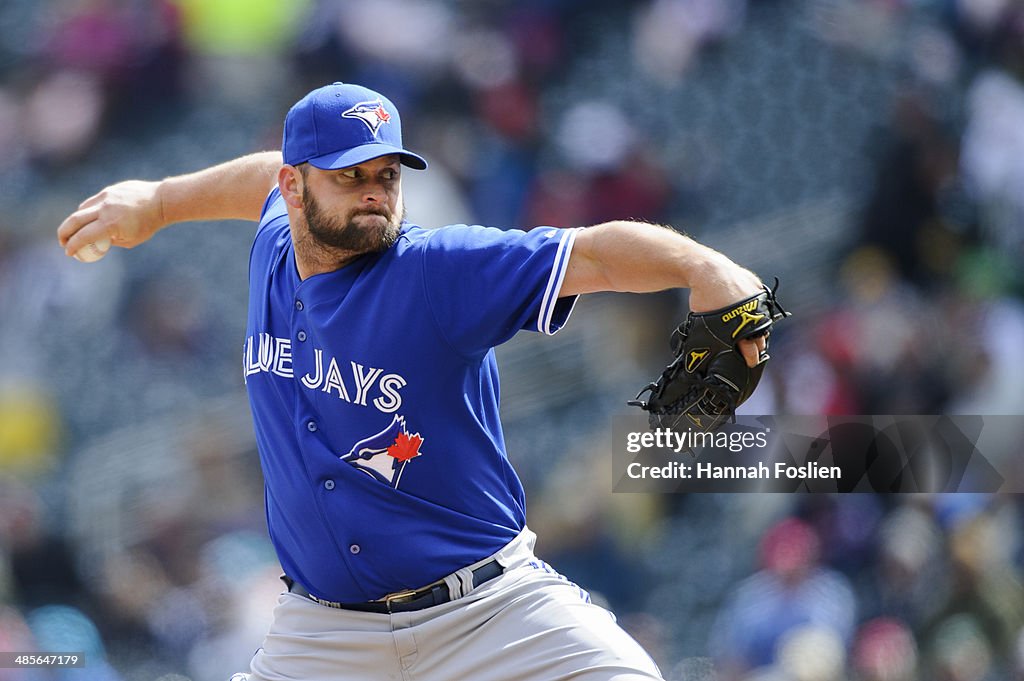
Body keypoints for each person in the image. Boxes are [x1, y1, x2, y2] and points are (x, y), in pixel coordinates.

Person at [57, 82, 768, 681]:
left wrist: (708, 269)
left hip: (490, 612)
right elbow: (257, 177)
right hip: (324, 636)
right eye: (349, 175)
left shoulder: (438, 269)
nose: (374, 193)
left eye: (387, 175)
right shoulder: (276, 237)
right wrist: (157, 202)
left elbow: (598, 256)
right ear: (294, 189)